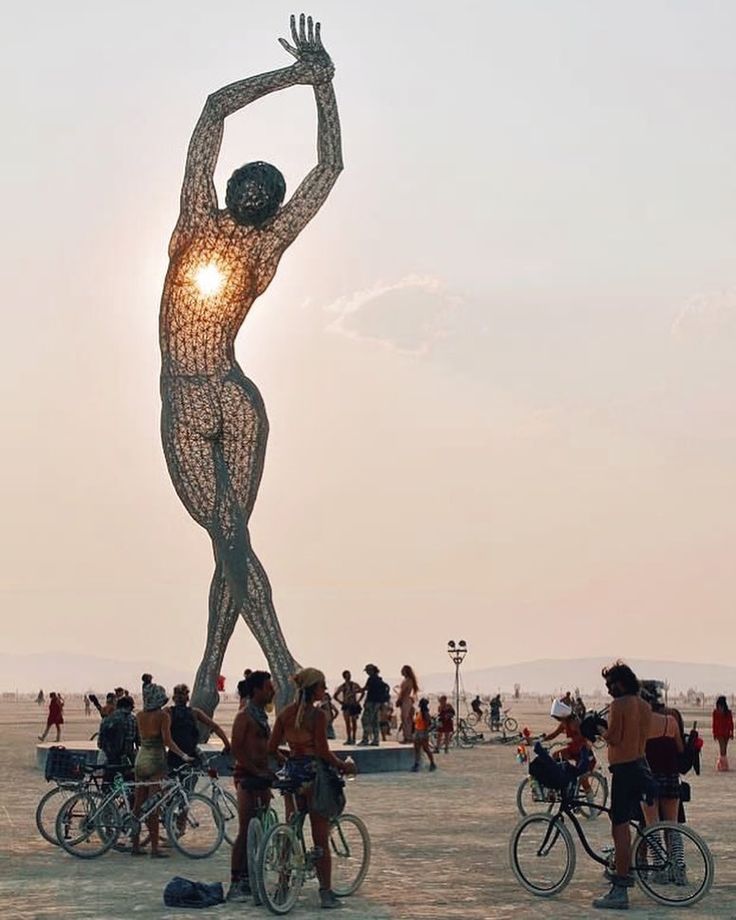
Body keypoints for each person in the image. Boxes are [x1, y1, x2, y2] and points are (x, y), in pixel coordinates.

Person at [159, 14, 341, 715]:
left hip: (233, 397)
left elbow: (328, 171)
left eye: (269, 197)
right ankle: (213, 676)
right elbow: (213, 111)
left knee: (231, 536)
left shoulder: (265, 249)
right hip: (185, 397)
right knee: (227, 540)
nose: (259, 199)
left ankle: (276, 669)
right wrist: (296, 76)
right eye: (251, 189)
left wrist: (327, 91)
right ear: (232, 190)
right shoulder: (195, 221)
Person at [268, 668, 355, 909]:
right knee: (320, 839)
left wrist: (288, 761)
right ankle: (326, 893)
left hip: (293, 777)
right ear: (313, 689)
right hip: (313, 778)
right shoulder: (316, 716)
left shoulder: (286, 714)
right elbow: (323, 752)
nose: (325, 690)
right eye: (323, 686)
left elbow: (272, 746)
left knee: (291, 829)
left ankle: (283, 884)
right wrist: (342, 765)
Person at [592, 661, 652, 911]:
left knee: (620, 829)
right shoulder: (645, 706)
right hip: (640, 766)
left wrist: (598, 729)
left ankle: (620, 889)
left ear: (622, 682)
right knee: (630, 825)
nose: (608, 690)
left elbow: (614, 737)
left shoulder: (619, 704)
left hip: (624, 770)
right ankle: (631, 869)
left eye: (610, 684)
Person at [227, 670, 276, 902]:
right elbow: (236, 748)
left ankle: (253, 875)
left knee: (263, 827)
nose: (271, 691)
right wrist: (255, 770)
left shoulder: (262, 716)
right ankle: (236, 881)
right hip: (246, 777)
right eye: (268, 688)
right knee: (245, 829)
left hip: (262, 776)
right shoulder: (244, 716)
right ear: (256, 690)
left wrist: (283, 759)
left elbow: (265, 746)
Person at [131, 684, 193, 858]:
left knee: (138, 805)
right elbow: (167, 741)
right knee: (153, 806)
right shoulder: (162, 716)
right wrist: (183, 755)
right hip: (156, 761)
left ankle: (135, 846)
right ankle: (154, 849)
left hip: (141, 759)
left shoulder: (140, 715)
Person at [639, 682, 684, 843]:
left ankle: (657, 865)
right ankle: (677, 865)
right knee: (673, 827)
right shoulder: (670, 721)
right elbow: (680, 748)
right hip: (670, 776)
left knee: (652, 828)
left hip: (648, 777)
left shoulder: (639, 725)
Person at [167, 684, 231, 772]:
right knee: (197, 776)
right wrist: (227, 745)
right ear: (188, 698)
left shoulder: (168, 712)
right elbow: (215, 727)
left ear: (174, 699)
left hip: (174, 753)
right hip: (191, 752)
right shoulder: (194, 712)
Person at [543, 698, 596, 797]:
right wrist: (541, 739)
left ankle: (592, 806)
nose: (558, 719)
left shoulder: (574, 722)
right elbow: (554, 734)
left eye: (558, 717)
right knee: (555, 756)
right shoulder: (564, 723)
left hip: (583, 753)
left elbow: (582, 736)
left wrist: (571, 740)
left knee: (583, 780)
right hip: (573, 751)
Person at [98, 695, 140, 778]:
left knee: (108, 783)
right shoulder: (132, 719)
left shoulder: (106, 719)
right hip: (125, 759)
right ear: (129, 707)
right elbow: (138, 741)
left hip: (109, 758)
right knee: (129, 784)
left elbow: (100, 743)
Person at [334, 670, 363, 744]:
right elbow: (335, 695)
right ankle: (349, 738)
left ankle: (353, 738)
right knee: (347, 722)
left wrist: (358, 701)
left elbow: (362, 692)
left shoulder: (354, 685)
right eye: (347, 676)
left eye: (349, 675)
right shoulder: (342, 686)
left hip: (353, 705)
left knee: (354, 722)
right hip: (346, 705)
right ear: (344, 677)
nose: (349, 677)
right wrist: (341, 702)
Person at [359, 665, 385, 746]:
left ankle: (365, 739)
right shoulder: (379, 679)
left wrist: (357, 691)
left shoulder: (371, 679)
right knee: (374, 721)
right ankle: (376, 740)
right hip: (377, 703)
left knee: (365, 720)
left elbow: (366, 688)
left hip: (371, 702)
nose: (367, 672)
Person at [411, 698, 437, 772]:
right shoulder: (419, 713)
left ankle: (432, 763)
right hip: (418, 731)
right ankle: (416, 764)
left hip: (422, 732)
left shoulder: (425, 713)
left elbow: (428, 723)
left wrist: (425, 732)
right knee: (417, 749)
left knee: (426, 748)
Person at [396, 665, 418, 744]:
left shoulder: (407, 681)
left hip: (405, 701)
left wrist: (399, 700)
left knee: (405, 719)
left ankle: (407, 737)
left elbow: (403, 692)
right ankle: (408, 736)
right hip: (407, 700)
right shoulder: (409, 680)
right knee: (408, 719)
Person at [712, 695, 733, 771]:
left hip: (726, 732)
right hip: (719, 733)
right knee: (722, 748)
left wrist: (731, 733)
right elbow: (714, 724)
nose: (719, 708)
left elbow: (731, 723)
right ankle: (722, 765)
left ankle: (722, 765)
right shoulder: (715, 712)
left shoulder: (728, 713)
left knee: (724, 750)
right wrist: (714, 733)